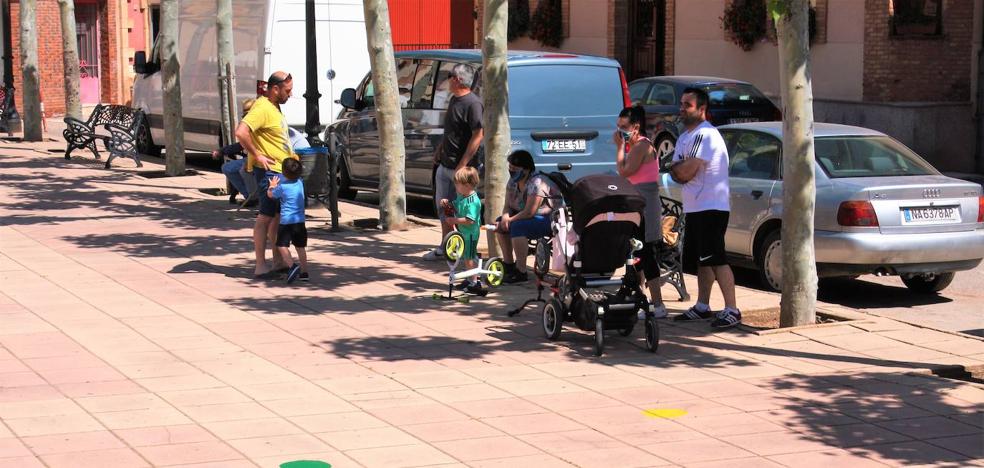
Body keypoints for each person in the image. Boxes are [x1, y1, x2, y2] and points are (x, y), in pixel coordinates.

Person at [668, 87, 741, 329]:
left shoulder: (706, 135)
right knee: (703, 260)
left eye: (687, 104)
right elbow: (676, 171)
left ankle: (732, 309)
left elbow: (685, 171)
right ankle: (702, 305)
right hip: (695, 208)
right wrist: (679, 169)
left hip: (712, 207)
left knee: (716, 258)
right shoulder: (683, 137)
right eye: (681, 103)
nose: (682, 108)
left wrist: (680, 169)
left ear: (702, 109)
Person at [234, 70, 297, 279]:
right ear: (275, 89)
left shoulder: (274, 107)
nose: (290, 94)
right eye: (287, 90)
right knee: (265, 217)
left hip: (281, 170)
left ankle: (278, 261)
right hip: (270, 172)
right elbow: (241, 132)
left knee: (277, 217)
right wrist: (257, 155)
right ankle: (260, 265)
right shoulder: (262, 107)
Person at [424, 63, 484, 261]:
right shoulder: (454, 100)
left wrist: (463, 164)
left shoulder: (472, 103)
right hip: (445, 164)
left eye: (449, 76)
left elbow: (478, 135)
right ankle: (446, 246)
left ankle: (467, 250)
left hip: (461, 170)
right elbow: (451, 130)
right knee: (444, 207)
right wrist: (440, 149)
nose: (447, 79)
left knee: (464, 212)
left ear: (458, 79)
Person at [614, 105, 667, 319]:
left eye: (623, 127)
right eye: (617, 127)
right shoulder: (634, 145)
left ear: (635, 127)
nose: (619, 132)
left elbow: (625, 171)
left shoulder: (642, 147)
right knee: (636, 253)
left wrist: (619, 147)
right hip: (637, 204)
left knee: (646, 255)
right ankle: (640, 297)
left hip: (645, 206)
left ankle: (659, 304)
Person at [495, 151, 562, 284]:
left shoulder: (536, 182)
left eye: (515, 169)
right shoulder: (513, 182)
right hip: (527, 216)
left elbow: (529, 212)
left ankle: (521, 271)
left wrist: (510, 220)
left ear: (526, 169)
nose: (512, 171)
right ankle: (508, 265)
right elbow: (507, 205)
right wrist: (505, 217)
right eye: (510, 168)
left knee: (517, 227)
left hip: (548, 219)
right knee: (500, 224)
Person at [440, 166, 485, 295]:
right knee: (465, 255)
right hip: (462, 232)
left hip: (470, 233)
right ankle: (469, 277)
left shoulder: (473, 201)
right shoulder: (462, 196)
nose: (456, 187)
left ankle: (475, 283)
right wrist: (447, 203)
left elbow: (470, 220)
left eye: (458, 184)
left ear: (468, 185)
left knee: (469, 257)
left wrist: (454, 221)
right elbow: (456, 205)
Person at [267, 158, 309, 284]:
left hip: (286, 222)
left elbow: (271, 195)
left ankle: (292, 266)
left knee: (281, 245)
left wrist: (271, 186)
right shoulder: (300, 182)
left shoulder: (282, 187)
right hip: (300, 221)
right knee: (300, 247)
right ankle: (304, 272)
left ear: (283, 173)